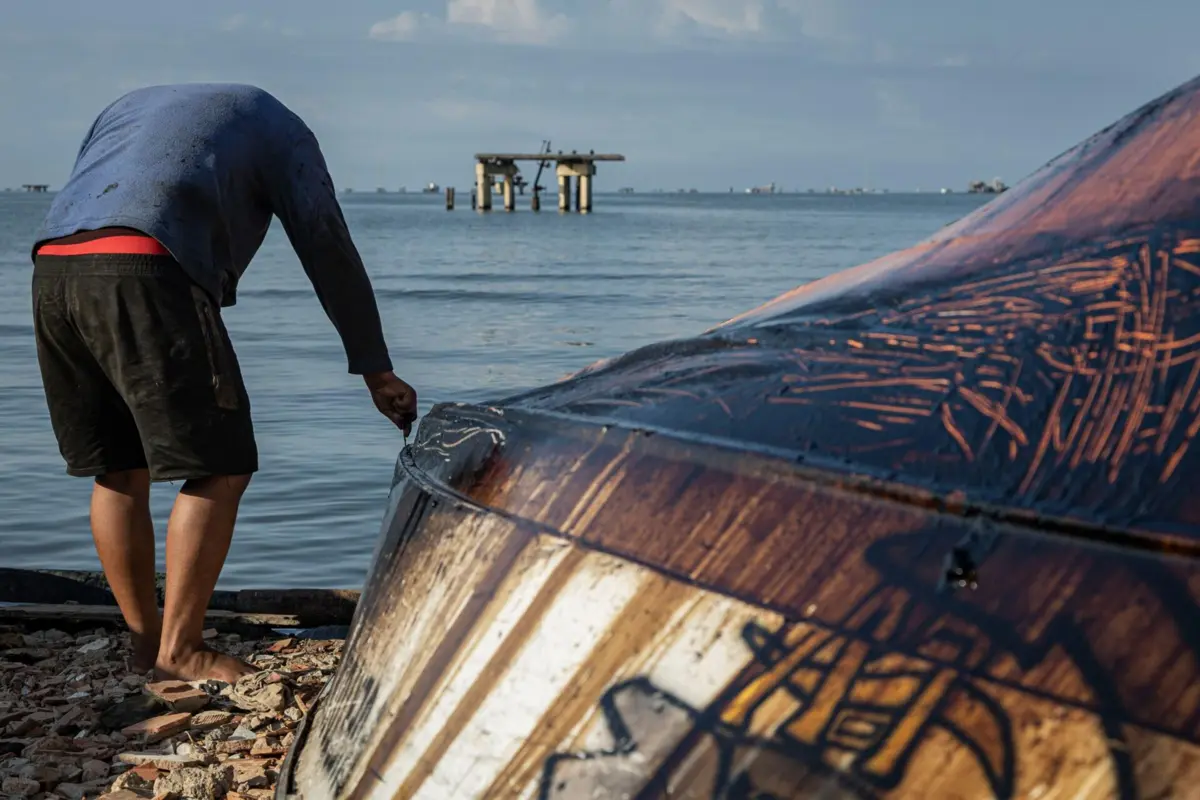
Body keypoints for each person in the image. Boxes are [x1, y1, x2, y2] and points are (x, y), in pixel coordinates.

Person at [29, 83, 417, 683]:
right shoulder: (285, 130)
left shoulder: (129, 107)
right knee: (221, 466)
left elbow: (99, 185)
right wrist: (375, 367)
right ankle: (182, 652)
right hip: (147, 265)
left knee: (120, 467)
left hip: (55, 268)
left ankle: (145, 646)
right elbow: (326, 244)